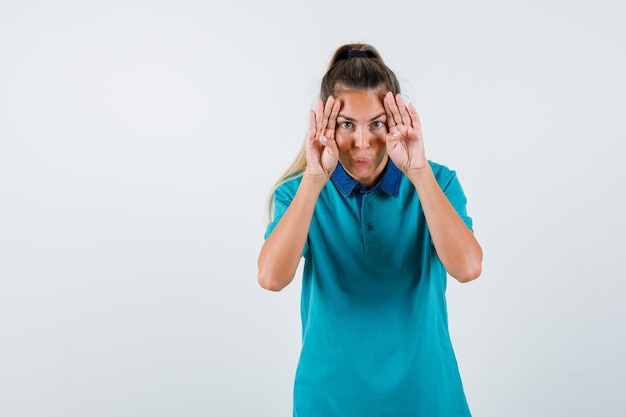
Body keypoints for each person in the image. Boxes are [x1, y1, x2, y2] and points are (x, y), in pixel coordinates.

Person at [257, 43, 483, 417]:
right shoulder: (299, 193)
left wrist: (419, 171)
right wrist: (314, 178)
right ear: (326, 126)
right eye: (347, 125)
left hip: (426, 399)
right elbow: (270, 277)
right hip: (328, 402)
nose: (363, 143)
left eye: (377, 123)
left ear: (396, 122)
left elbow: (468, 268)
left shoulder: (437, 182)